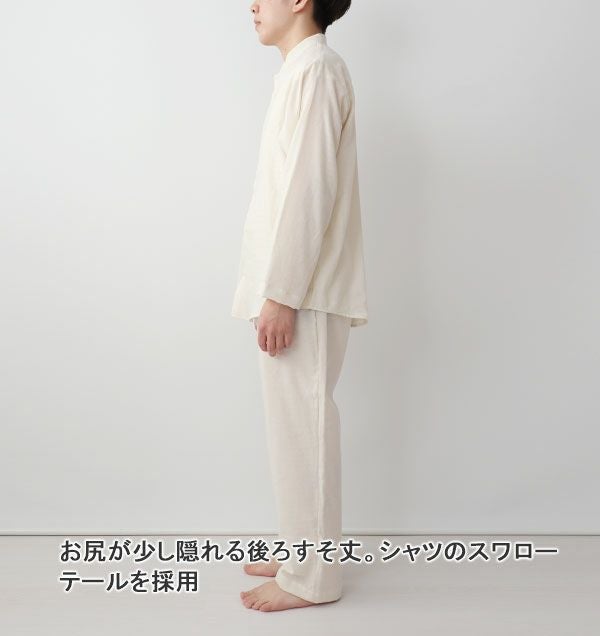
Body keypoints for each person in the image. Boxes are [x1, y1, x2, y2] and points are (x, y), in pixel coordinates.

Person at [232, 0, 368, 612]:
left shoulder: (318, 69)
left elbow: (311, 191)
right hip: (291, 289)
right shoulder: (299, 71)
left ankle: (312, 578)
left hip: (302, 292)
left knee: (304, 430)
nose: (252, 5)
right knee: (292, 431)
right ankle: (300, 554)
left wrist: (282, 295)